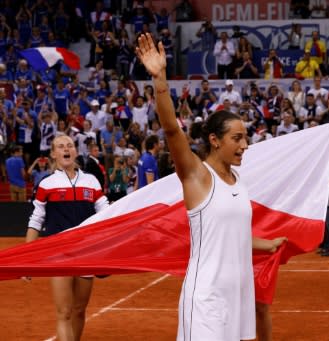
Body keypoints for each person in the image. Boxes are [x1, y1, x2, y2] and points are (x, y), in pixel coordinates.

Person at [135, 33, 287, 341]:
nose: (245, 145)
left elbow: (233, 236)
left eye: (246, 137)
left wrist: (267, 244)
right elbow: (171, 130)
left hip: (237, 297)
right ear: (215, 141)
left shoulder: (238, 182)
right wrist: (160, 79)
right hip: (206, 299)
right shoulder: (197, 176)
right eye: (237, 138)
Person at [25, 135, 109, 341]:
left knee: (79, 310)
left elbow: (107, 213)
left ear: (75, 151)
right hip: (58, 254)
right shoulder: (46, 184)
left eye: (70, 146)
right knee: (64, 313)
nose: (66, 149)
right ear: (53, 153)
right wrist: (26, 259)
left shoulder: (91, 181)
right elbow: (36, 220)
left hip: (86, 253)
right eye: (61, 146)